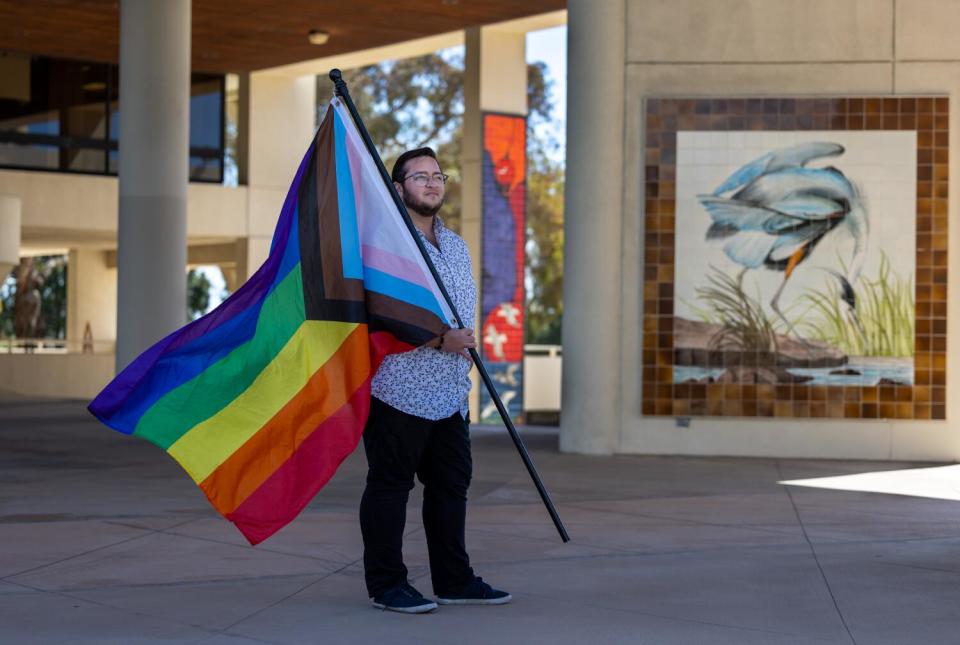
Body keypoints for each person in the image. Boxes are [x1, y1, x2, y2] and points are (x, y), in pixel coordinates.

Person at [359, 147, 511, 614]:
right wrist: (436, 339)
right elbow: (376, 312)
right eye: (419, 176)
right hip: (398, 389)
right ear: (398, 186)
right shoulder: (385, 244)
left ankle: (454, 579)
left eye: (437, 176)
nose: (431, 183)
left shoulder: (458, 245)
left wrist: (461, 344)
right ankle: (387, 585)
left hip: (450, 393)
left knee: (450, 487)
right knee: (390, 486)